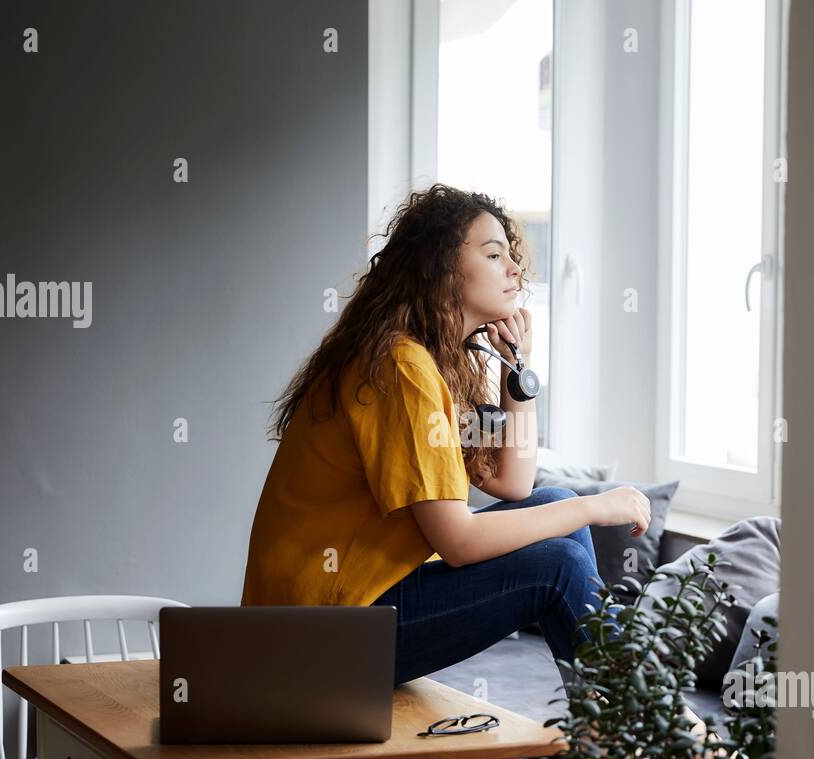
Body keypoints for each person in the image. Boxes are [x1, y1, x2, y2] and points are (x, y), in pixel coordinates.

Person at [240, 183, 651, 695]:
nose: (514, 271)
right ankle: (631, 729)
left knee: (555, 501)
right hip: (320, 637)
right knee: (559, 563)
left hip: (350, 613)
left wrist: (516, 375)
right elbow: (457, 543)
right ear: (439, 267)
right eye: (494, 254)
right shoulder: (401, 368)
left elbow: (513, 483)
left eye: (512, 257)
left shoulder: (431, 363)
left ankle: (613, 733)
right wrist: (596, 508)